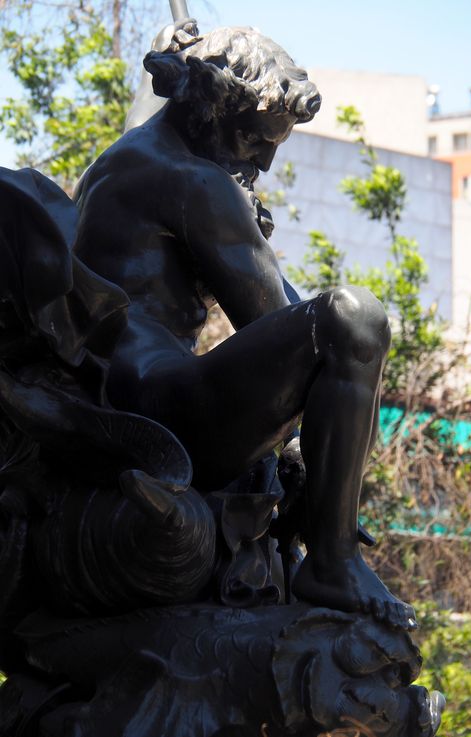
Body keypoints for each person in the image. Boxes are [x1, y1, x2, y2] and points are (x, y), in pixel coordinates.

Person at [73, 24, 415, 629]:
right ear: (208, 109)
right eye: (255, 140)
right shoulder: (194, 183)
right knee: (355, 318)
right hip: (156, 411)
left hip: (116, 399)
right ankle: (332, 562)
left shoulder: (125, 158)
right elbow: (292, 324)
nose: (264, 160)